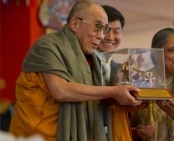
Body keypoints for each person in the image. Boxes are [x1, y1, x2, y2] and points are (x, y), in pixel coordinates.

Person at [9, 1, 142, 141]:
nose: (102, 36)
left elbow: (94, 97)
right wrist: (113, 91)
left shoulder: (93, 60)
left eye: (105, 30)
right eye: (98, 27)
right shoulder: (47, 46)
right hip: (38, 136)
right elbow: (60, 90)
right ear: (75, 24)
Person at [95, 5, 148, 141]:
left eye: (117, 31)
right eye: (106, 30)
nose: (110, 37)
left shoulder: (120, 67)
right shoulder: (83, 62)